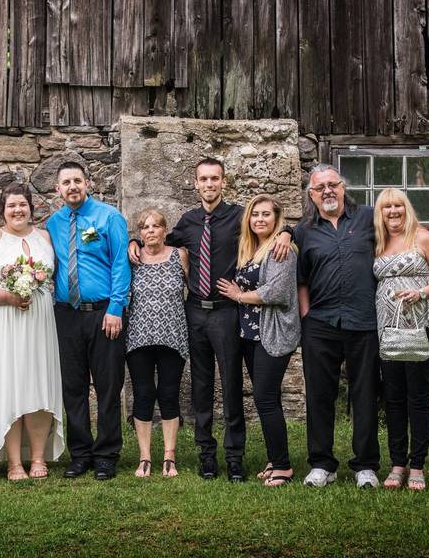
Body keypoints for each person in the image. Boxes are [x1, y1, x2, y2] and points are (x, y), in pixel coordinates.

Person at [129, 158, 291, 481]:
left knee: (231, 385)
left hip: (226, 312)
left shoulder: (238, 217)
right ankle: (207, 455)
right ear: (196, 183)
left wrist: (287, 231)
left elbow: (267, 223)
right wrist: (132, 241)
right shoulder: (188, 222)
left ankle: (234, 458)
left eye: (215, 178)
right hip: (195, 313)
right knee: (201, 386)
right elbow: (157, 241)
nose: (209, 184)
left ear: (223, 182)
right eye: (203, 179)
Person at [0, 183, 64, 480]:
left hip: (39, 321)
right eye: (11, 206)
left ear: (31, 208)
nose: (18, 210)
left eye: (23, 204)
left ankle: (36, 458)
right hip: (2, 321)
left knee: (38, 384)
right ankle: (13, 463)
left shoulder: (45, 237)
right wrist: (9, 297)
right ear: (2, 211)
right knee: (9, 386)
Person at [295, 163, 381, 488]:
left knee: (365, 393)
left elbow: (404, 231)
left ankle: (365, 466)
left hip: (364, 321)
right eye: (321, 187)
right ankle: (322, 464)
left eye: (334, 184)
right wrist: (306, 316)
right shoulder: (304, 230)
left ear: (343, 187)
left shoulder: (368, 218)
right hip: (320, 323)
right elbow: (301, 278)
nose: (328, 191)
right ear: (312, 195)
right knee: (319, 395)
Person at [47, 162, 131, 481]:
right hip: (66, 315)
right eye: (66, 182)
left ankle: (107, 454)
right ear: (58, 188)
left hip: (103, 313)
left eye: (77, 181)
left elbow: (121, 264)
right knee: (73, 387)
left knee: (109, 386)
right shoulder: (54, 224)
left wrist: (116, 308)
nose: (72, 187)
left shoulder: (109, 217)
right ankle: (80, 454)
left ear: (88, 183)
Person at [373, 188, 429, 491]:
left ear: (406, 208)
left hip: (421, 326)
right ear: (380, 213)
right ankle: (397, 464)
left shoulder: (421, 237)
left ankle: (417, 465)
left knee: (417, 396)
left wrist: (420, 292)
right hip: (387, 329)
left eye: (398, 206)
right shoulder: (379, 241)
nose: (393, 211)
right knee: (393, 397)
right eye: (386, 207)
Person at [215, 194, 300, 487]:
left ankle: (284, 468)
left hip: (271, 333)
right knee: (269, 398)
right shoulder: (253, 250)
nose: (260, 219)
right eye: (255, 214)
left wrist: (238, 295)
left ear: (277, 219)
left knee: (264, 399)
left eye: (266, 214)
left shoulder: (281, 250)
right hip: (251, 334)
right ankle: (275, 459)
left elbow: (275, 293)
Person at [125, 209, 189, 478]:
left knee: (169, 393)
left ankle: (169, 457)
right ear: (139, 234)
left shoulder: (179, 256)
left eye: (155, 226)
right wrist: (132, 245)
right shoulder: (133, 259)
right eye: (144, 227)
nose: (150, 231)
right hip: (139, 337)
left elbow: (194, 287)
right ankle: (145, 457)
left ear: (165, 230)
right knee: (143, 395)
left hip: (172, 336)